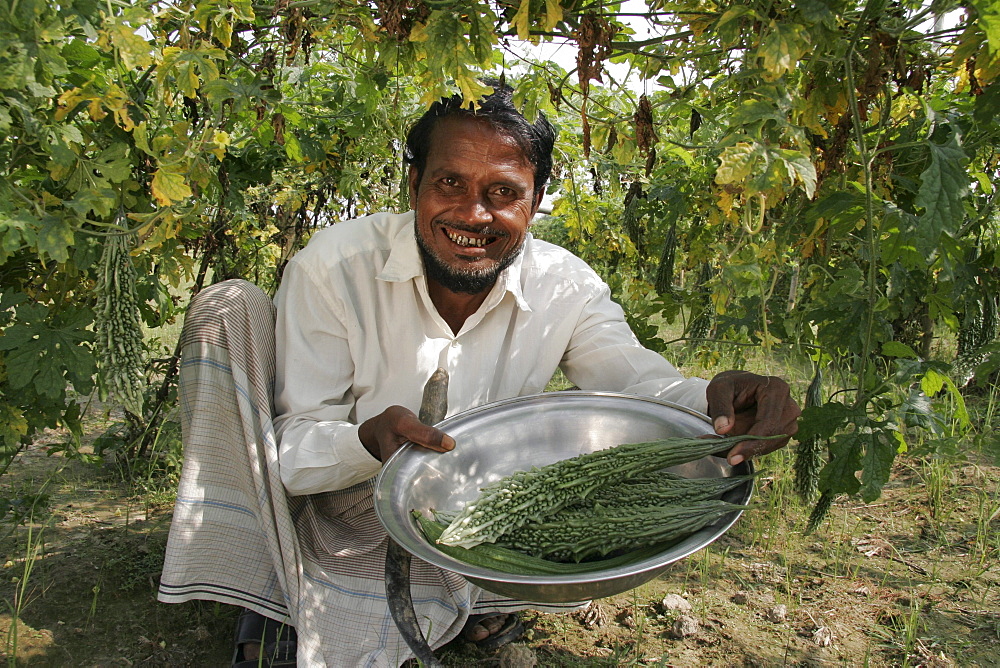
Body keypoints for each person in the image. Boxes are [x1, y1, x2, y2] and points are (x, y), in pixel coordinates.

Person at [158, 81, 800, 667]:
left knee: (523, 539)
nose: (473, 215)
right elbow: (294, 451)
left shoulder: (565, 285)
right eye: (449, 185)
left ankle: (474, 595)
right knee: (227, 311)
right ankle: (265, 588)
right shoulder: (333, 269)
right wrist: (366, 441)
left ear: (536, 200)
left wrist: (715, 400)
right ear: (413, 186)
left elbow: (638, 387)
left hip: (482, 501)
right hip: (345, 502)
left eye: (503, 193)